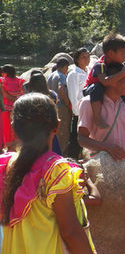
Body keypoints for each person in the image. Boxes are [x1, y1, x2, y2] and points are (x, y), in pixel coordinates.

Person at [0, 93, 95, 253]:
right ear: (57, 126)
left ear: (14, 128)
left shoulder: (6, 165)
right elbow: (71, 232)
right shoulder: (55, 171)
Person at [78, 63, 125, 162]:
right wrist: (107, 147)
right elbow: (82, 139)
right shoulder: (89, 103)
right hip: (104, 161)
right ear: (112, 81)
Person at [83, 33, 125, 130]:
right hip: (92, 90)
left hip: (109, 89)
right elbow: (104, 82)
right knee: (97, 87)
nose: (124, 56)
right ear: (111, 53)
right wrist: (121, 74)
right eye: (122, 53)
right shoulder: (100, 65)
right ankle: (98, 118)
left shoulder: (120, 65)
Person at [25, 72, 64, 155]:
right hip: (49, 127)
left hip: (35, 129)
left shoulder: (30, 97)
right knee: (53, 151)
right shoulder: (52, 95)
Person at [67, 48, 90, 159]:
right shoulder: (73, 74)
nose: (87, 59)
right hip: (79, 112)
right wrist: (77, 113)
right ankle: (72, 159)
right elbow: (73, 96)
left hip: (89, 110)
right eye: (83, 57)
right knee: (76, 139)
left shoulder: (88, 71)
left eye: (87, 56)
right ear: (77, 59)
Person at [0, 64, 25, 152]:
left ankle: (8, 149)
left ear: (5, 73)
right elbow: (23, 94)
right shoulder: (20, 81)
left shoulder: (3, 81)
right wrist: (16, 100)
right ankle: (15, 148)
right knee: (15, 129)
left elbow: (5, 95)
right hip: (17, 108)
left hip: (6, 109)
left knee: (6, 129)